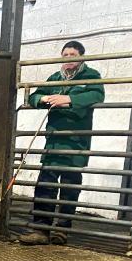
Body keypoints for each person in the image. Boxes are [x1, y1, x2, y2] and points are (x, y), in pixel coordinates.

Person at [19, 40, 105, 246]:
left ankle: (61, 230)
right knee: (45, 185)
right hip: (54, 140)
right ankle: (41, 229)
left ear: (81, 57)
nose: (68, 59)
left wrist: (69, 100)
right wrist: (45, 99)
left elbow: (97, 94)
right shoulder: (55, 78)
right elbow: (34, 96)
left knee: (69, 187)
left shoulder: (91, 76)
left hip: (76, 142)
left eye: (72, 55)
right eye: (64, 55)